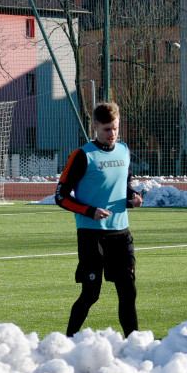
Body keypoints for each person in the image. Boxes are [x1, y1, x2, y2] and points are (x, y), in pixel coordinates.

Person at [55, 102, 143, 337]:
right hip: (92, 235)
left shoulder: (124, 150)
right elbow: (61, 196)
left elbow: (124, 187)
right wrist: (89, 211)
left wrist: (132, 198)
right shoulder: (82, 155)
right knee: (91, 294)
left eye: (115, 128)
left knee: (128, 292)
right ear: (95, 127)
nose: (112, 134)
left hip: (121, 233)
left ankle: (133, 343)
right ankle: (68, 339)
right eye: (106, 129)